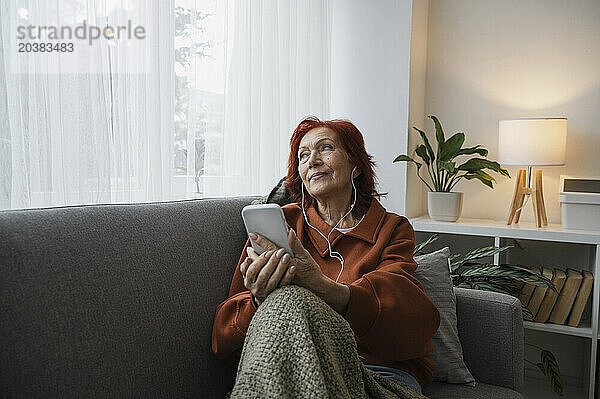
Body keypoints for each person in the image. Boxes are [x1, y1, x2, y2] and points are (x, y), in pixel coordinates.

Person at [212, 116, 441, 395]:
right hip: (293, 367)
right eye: (303, 156)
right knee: (286, 301)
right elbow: (222, 337)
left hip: (377, 375)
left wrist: (321, 287)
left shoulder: (391, 228)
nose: (312, 161)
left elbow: (410, 320)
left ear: (356, 166)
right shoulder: (282, 224)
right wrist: (259, 301)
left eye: (325, 148)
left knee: (291, 299)